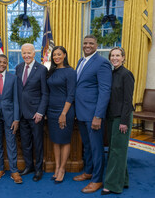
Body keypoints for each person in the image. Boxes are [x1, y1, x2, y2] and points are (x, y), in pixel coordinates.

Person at [74, 35, 112, 193]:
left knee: (96, 148)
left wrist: (98, 115)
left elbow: (105, 91)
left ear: (96, 45)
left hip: (93, 114)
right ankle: (88, 172)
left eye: (91, 43)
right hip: (81, 112)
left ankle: (97, 180)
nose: (87, 45)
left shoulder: (102, 63)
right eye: (85, 43)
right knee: (87, 146)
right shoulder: (80, 61)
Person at [101, 47, 134, 195]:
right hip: (111, 116)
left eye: (117, 55)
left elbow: (128, 101)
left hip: (122, 117)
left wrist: (124, 122)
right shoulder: (111, 73)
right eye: (112, 55)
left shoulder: (127, 75)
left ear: (123, 58)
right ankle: (124, 180)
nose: (114, 58)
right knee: (117, 149)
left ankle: (112, 185)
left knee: (116, 151)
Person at [0, 54, 22, 184]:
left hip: (10, 116)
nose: (2, 64)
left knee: (11, 144)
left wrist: (16, 119)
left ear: (7, 64)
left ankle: (14, 170)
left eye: (4, 62)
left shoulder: (13, 78)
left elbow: (16, 100)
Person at [15, 43, 49, 181]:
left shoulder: (41, 69)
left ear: (34, 53)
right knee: (25, 142)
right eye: (24, 53)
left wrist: (40, 112)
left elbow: (45, 93)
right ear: (21, 54)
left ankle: (38, 169)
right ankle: (29, 166)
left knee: (38, 143)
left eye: (29, 53)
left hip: (35, 114)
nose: (26, 55)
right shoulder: (18, 68)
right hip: (22, 113)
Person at [46, 46, 76, 184]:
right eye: (54, 55)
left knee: (64, 140)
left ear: (64, 55)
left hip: (65, 110)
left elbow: (71, 94)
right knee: (55, 140)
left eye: (59, 54)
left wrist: (63, 113)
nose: (56, 57)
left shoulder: (70, 72)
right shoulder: (51, 71)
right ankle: (57, 167)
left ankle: (62, 169)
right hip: (51, 110)